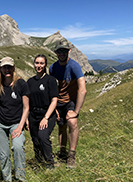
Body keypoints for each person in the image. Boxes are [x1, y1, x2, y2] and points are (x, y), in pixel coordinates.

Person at [0, 56, 30, 182]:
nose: (7, 70)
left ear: (13, 68)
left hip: (16, 123)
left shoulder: (21, 84)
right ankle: (7, 180)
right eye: (4, 67)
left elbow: (26, 107)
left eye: (9, 67)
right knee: (4, 153)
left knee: (18, 148)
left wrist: (20, 127)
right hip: (0, 123)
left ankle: (21, 180)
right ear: (0, 69)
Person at [49, 39, 87, 169]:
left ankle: (71, 156)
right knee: (61, 127)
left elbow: (82, 89)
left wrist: (76, 111)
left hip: (71, 101)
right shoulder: (52, 68)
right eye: (59, 51)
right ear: (55, 52)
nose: (62, 54)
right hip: (58, 102)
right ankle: (62, 152)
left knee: (72, 122)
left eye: (64, 51)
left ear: (69, 51)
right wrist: (54, 107)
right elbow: (51, 88)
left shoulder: (74, 66)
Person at [26, 54, 59, 170]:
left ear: (45, 65)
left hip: (47, 114)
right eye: (37, 63)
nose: (38, 66)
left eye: (41, 63)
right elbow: (27, 101)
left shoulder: (50, 80)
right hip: (33, 114)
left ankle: (50, 162)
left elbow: (54, 100)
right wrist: (26, 118)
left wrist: (46, 117)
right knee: (35, 139)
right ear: (34, 64)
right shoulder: (30, 82)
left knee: (43, 136)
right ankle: (39, 162)